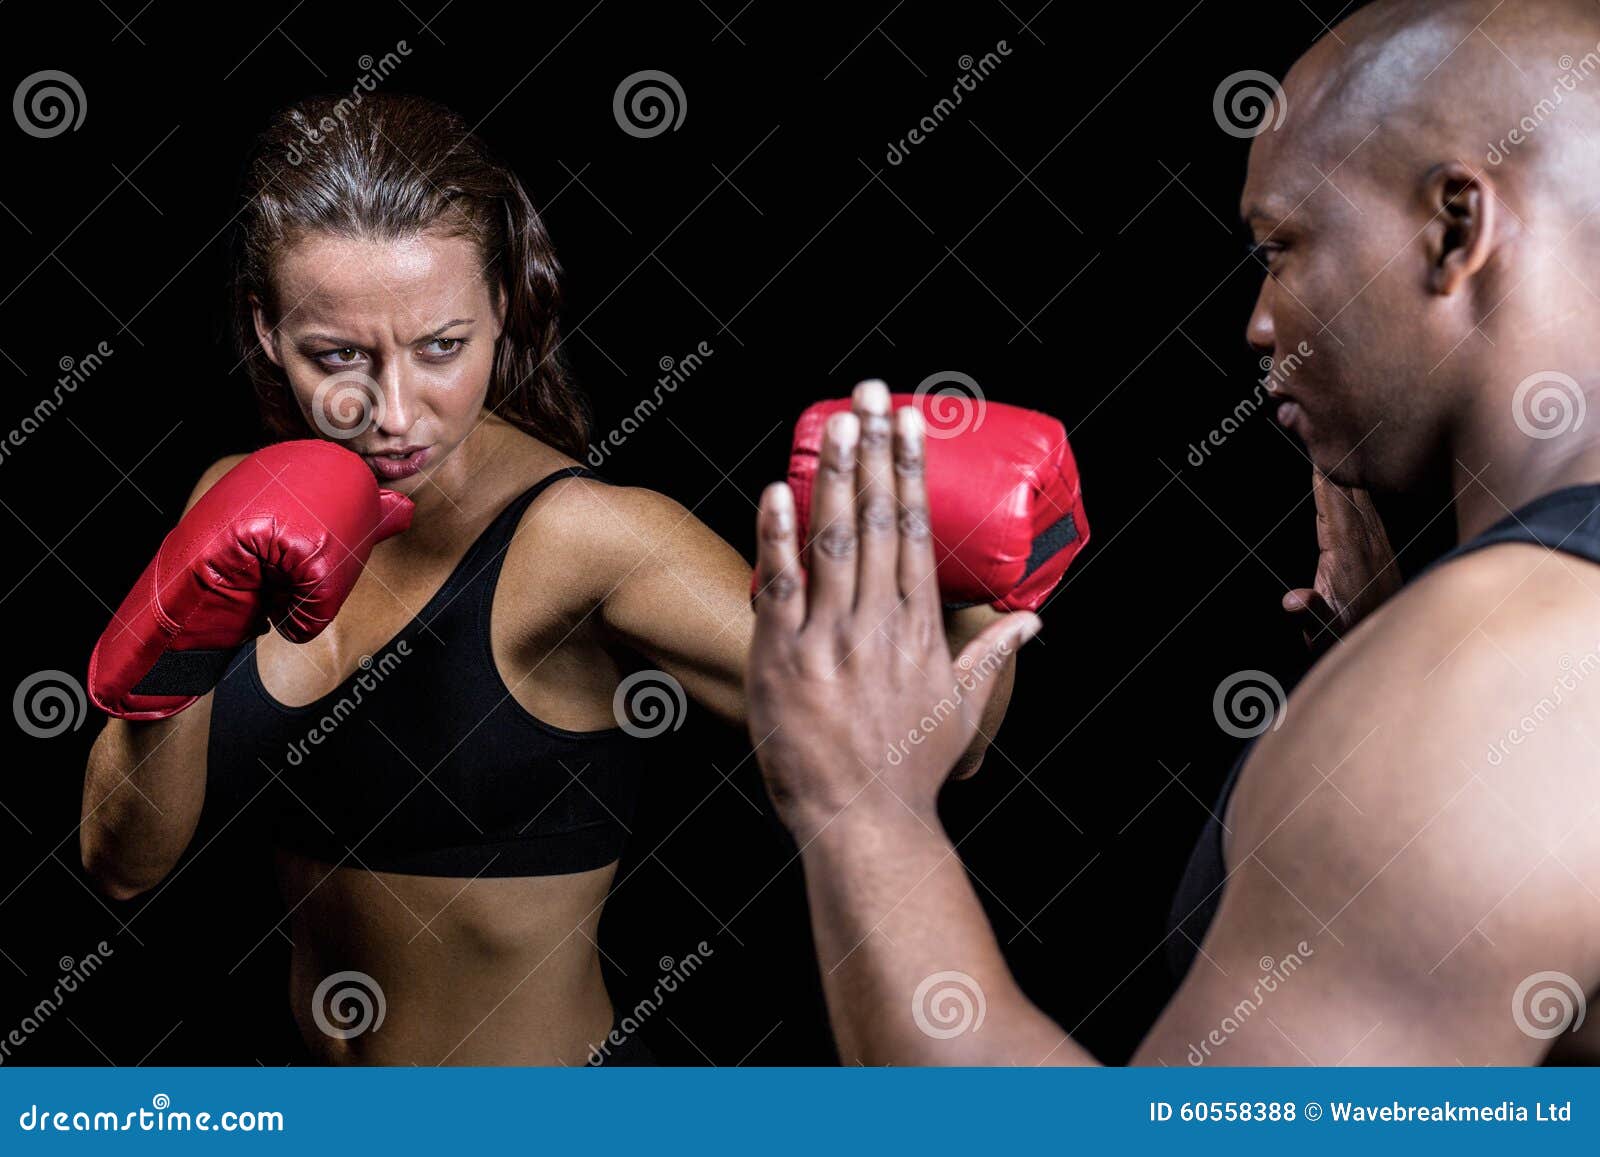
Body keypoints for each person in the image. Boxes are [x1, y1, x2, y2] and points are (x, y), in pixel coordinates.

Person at [77, 94, 1033, 1065]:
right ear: (267, 327)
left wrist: (975, 586)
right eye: (337, 355)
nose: (394, 409)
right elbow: (120, 863)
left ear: (501, 308)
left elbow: (923, 745)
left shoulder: (584, 540)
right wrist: (181, 642)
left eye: (442, 346)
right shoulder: (231, 501)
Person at [745, 0, 1600, 1066]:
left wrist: (863, 807)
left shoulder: (1490, 691)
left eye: (1281, 246)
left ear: (1455, 228)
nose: (1257, 321)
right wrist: (1384, 653)